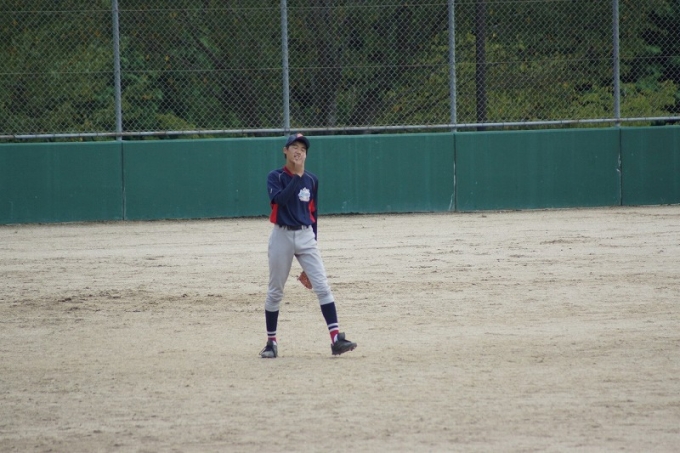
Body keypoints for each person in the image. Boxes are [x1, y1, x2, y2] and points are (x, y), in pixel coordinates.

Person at [259, 133, 357, 358]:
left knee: (322, 286)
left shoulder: (312, 180)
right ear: (285, 151)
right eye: (294, 147)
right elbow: (280, 200)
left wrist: (313, 247)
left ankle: (336, 339)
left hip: (306, 236)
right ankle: (271, 343)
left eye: (303, 149)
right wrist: (296, 176)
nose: (299, 151)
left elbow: (314, 213)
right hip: (281, 235)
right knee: (275, 290)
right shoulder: (275, 176)